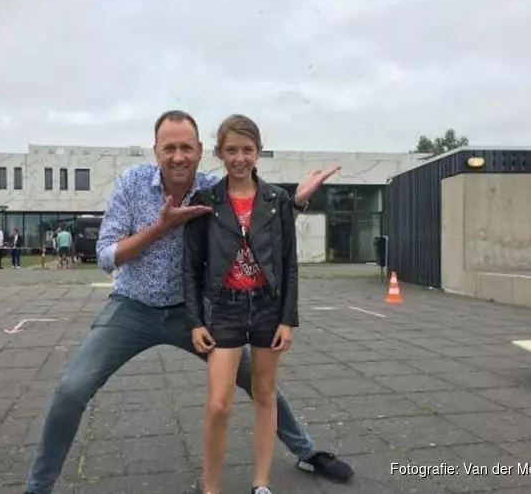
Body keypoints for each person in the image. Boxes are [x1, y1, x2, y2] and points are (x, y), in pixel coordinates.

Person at [23, 110, 351, 494]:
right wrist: (161, 227)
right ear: (156, 151)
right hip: (133, 306)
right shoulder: (132, 183)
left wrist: (295, 203)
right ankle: (37, 487)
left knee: (261, 384)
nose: (178, 156)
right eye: (170, 148)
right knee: (72, 389)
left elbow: (261, 226)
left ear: (199, 151)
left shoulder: (214, 189)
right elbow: (106, 256)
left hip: (196, 313)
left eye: (186, 148)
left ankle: (306, 451)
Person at [183, 114, 298, 494]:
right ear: (218, 153)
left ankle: (261, 482)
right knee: (218, 404)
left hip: (267, 306)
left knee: (266, 396)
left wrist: (288, 319)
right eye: (231, 150)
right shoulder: (206, 202)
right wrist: (196, 321)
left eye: (247, 150)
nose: (239, 158)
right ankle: (211, 488)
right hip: (225, 309)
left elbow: (288, 263)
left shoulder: (276, 200)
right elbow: (191, 267)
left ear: (258, 152)